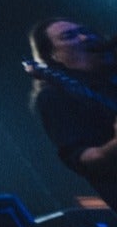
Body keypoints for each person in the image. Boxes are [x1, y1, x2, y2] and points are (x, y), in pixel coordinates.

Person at [28, 17, 117, 209]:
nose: (85, 38)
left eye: (85, 31)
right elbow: (84, 160)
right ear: (54, 56)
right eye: (69, 36)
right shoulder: (54, 96)